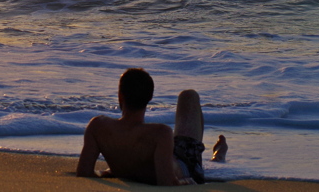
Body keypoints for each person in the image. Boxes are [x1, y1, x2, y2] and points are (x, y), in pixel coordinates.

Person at [76, 68, 215, 185]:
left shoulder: (97, 126)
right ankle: (218, 156)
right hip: (185, 165)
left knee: (178, 143)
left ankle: (219, 154)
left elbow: (84, 173)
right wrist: (187, 182)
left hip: (165, 152)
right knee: (188, 95)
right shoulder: (161, 133)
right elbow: (167, 183)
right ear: (150, 98)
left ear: (120, 96)